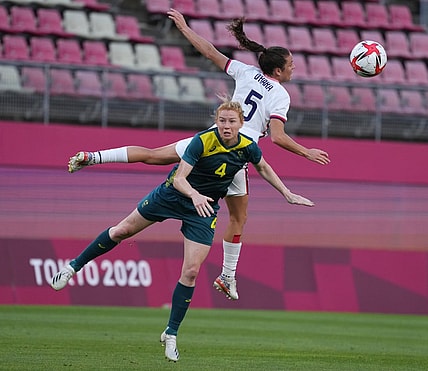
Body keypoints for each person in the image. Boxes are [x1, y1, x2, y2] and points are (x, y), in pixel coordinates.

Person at [67, 8, 330, 301]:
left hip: (209, 138)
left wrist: (184, 28)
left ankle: (93, 157)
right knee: (238, 218)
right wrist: (306, 152)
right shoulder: (281, 95)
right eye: (291, 64)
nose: (294, 68)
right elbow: (278, 137)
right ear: (278, 71)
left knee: (153, 155)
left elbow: (209, 51)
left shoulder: (246, 72)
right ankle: (228, 276)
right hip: (235, 155)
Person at [52, 100, 314, 362]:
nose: (226, 126)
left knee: (190, 272)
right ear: (217, 121)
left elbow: (264, 168)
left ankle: (171, 333)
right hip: (173, 196)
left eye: (231, 122)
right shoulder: (201, 141)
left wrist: (287, 194)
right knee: (122, 231)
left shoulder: (247, 147)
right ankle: (73, 266)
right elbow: (179, 178)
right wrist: (195, 195)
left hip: (202, 211)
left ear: (241, 124)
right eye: (222, 121)